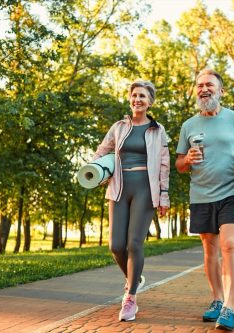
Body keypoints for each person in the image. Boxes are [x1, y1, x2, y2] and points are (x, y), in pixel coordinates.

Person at [175, 69, 234, 331]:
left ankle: (229, 307)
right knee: (209, 250)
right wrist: (187, 160)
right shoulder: (188, 125)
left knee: (228, 245)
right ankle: (216, 298)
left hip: (231, 193)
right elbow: (179, 165)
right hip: (201, 194)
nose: (204, 89)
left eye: (209, 85)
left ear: (221, 91)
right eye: (199, 85)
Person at [93, 80, 170, 321]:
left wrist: (164, 195)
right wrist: (97, 170)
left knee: (134, 244)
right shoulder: (118, 127)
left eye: (143, 96)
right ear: (130, 99)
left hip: (146, 189)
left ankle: (131, 298)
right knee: (116, 245)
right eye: (135, 95)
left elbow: (164, 163)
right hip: (119, 187)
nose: (138, 99)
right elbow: (101, 151)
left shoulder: (157, 130)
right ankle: (133, 278)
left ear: (150, 102)